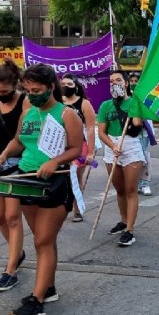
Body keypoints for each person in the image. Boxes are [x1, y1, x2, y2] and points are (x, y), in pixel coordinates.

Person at [0, 63, 83, 315]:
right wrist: (5, 154)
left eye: (37, 90)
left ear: (51, 87)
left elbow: (77, 148)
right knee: (43, 240)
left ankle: (37, 300)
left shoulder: (67, 114)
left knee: (43, 241)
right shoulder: (28, 112)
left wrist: (55, 161)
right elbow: (19, 140)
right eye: (28, 90)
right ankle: (49, 287)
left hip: (55, 183)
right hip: (27, 179)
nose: (32, 95)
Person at [0, 58, 29, 292]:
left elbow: (21, 137)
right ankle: (16, 252)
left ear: (15, 85)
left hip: (18, 162)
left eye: (4, 91)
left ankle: (11, 270)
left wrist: (5, 155)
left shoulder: (25, 102)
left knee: (12, 217)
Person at [98, 70, 145, 247]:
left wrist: (134, 109)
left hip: (130, 146)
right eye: (111, 81)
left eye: (118, 80)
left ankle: (129, 231)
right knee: (119, 189)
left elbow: (136, 126)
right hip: (112, 147)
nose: (114, 84)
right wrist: (112, 147)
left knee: (131, 189)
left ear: (125, 83)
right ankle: (123, 220)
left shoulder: (134, 102)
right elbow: (101, 132)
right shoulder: (105, 106)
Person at [61, 73, 97, 222]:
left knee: (75, 177)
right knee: (61, 178)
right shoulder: (57, 102)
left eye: (69, 84)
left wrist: (90, 152)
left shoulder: (84, 103)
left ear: (76, 87)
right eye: (63, 84)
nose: (65, 87)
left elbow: (90, 129)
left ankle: (77, 209)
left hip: (78, 145)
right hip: (59, 145)